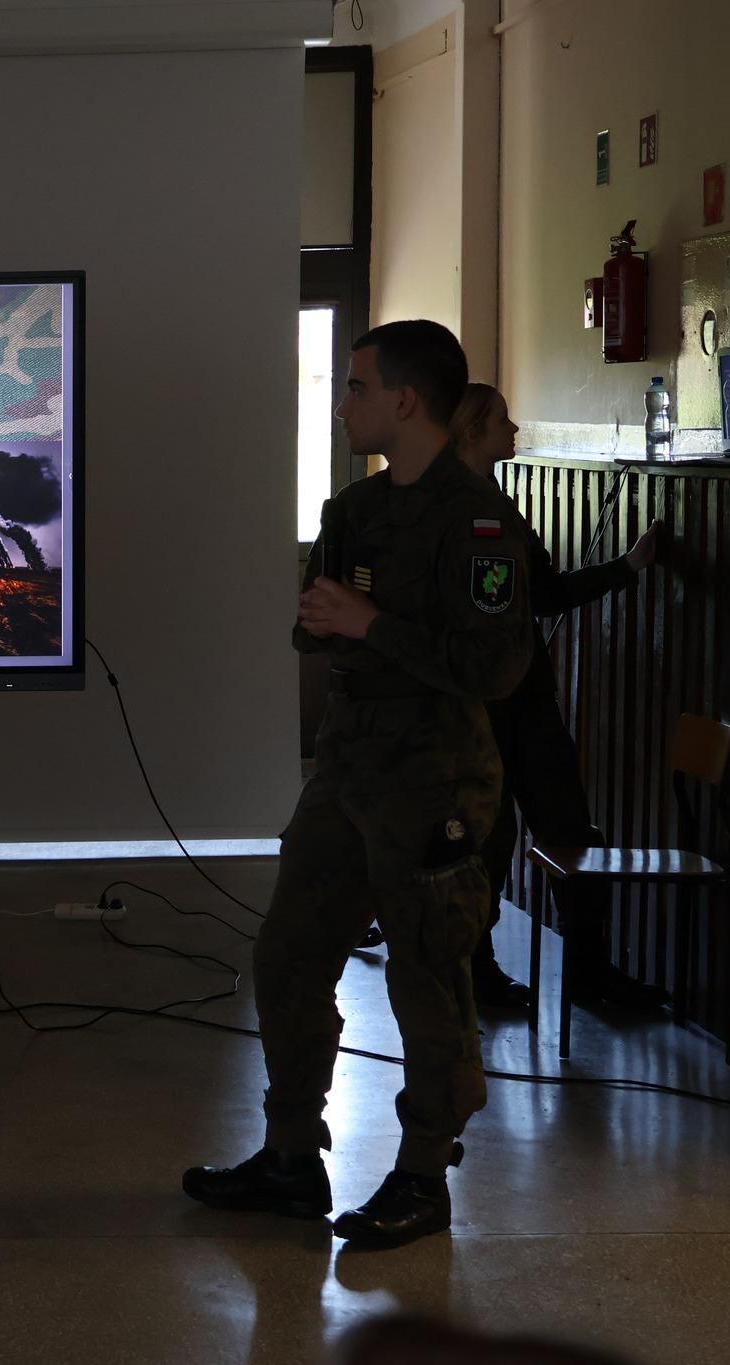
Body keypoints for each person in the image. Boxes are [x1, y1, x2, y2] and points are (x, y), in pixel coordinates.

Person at [184, 321, 533, 1248]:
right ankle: (291, 1156)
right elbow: (314, 622)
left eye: (356, 387)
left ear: (406, 400)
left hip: (436, 777)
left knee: (428, 973)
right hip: (347, 766)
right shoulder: (353, 509)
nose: (343, 404)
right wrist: (329, 618)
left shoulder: (479, 522)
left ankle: (423, 1175)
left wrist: (370, 623)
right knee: (289, 954)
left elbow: (495, 667)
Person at [450, 383, 666, 1010]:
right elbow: (530, 597)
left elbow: (540, 593)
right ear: (471, 431)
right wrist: (625, 569)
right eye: (502, 419)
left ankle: (587, 972)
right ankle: (477, 968)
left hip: (525, 698)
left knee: (569, 830)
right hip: (480, 704)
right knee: (489, 837)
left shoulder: (498, 504)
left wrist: (626, 568)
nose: (514, 428)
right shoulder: (447, 511)